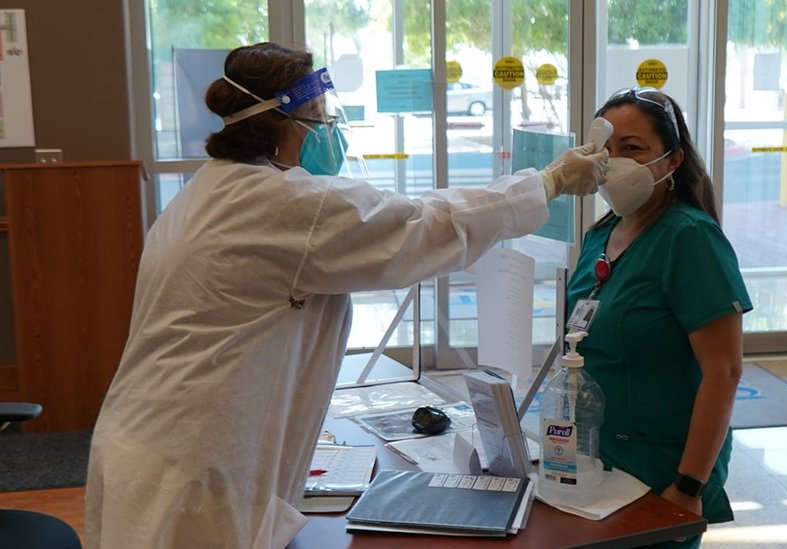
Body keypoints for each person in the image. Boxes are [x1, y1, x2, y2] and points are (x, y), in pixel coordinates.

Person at [84, 42, 608, 549]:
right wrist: (550, 181)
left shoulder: (208, 191)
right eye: (318, 119)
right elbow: (423, 226)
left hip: (150, 440)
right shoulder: (280, 204)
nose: (329, 132)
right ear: (278, 125)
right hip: (193, 463)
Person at [564, 87, 752, 548]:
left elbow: (724, 372)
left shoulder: (689, 239)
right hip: (597, 460)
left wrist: (689, 486)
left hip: (663, 467)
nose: (615, 162)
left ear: (672, 161)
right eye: (605, 151)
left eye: (632, 148)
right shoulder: (602, 233)